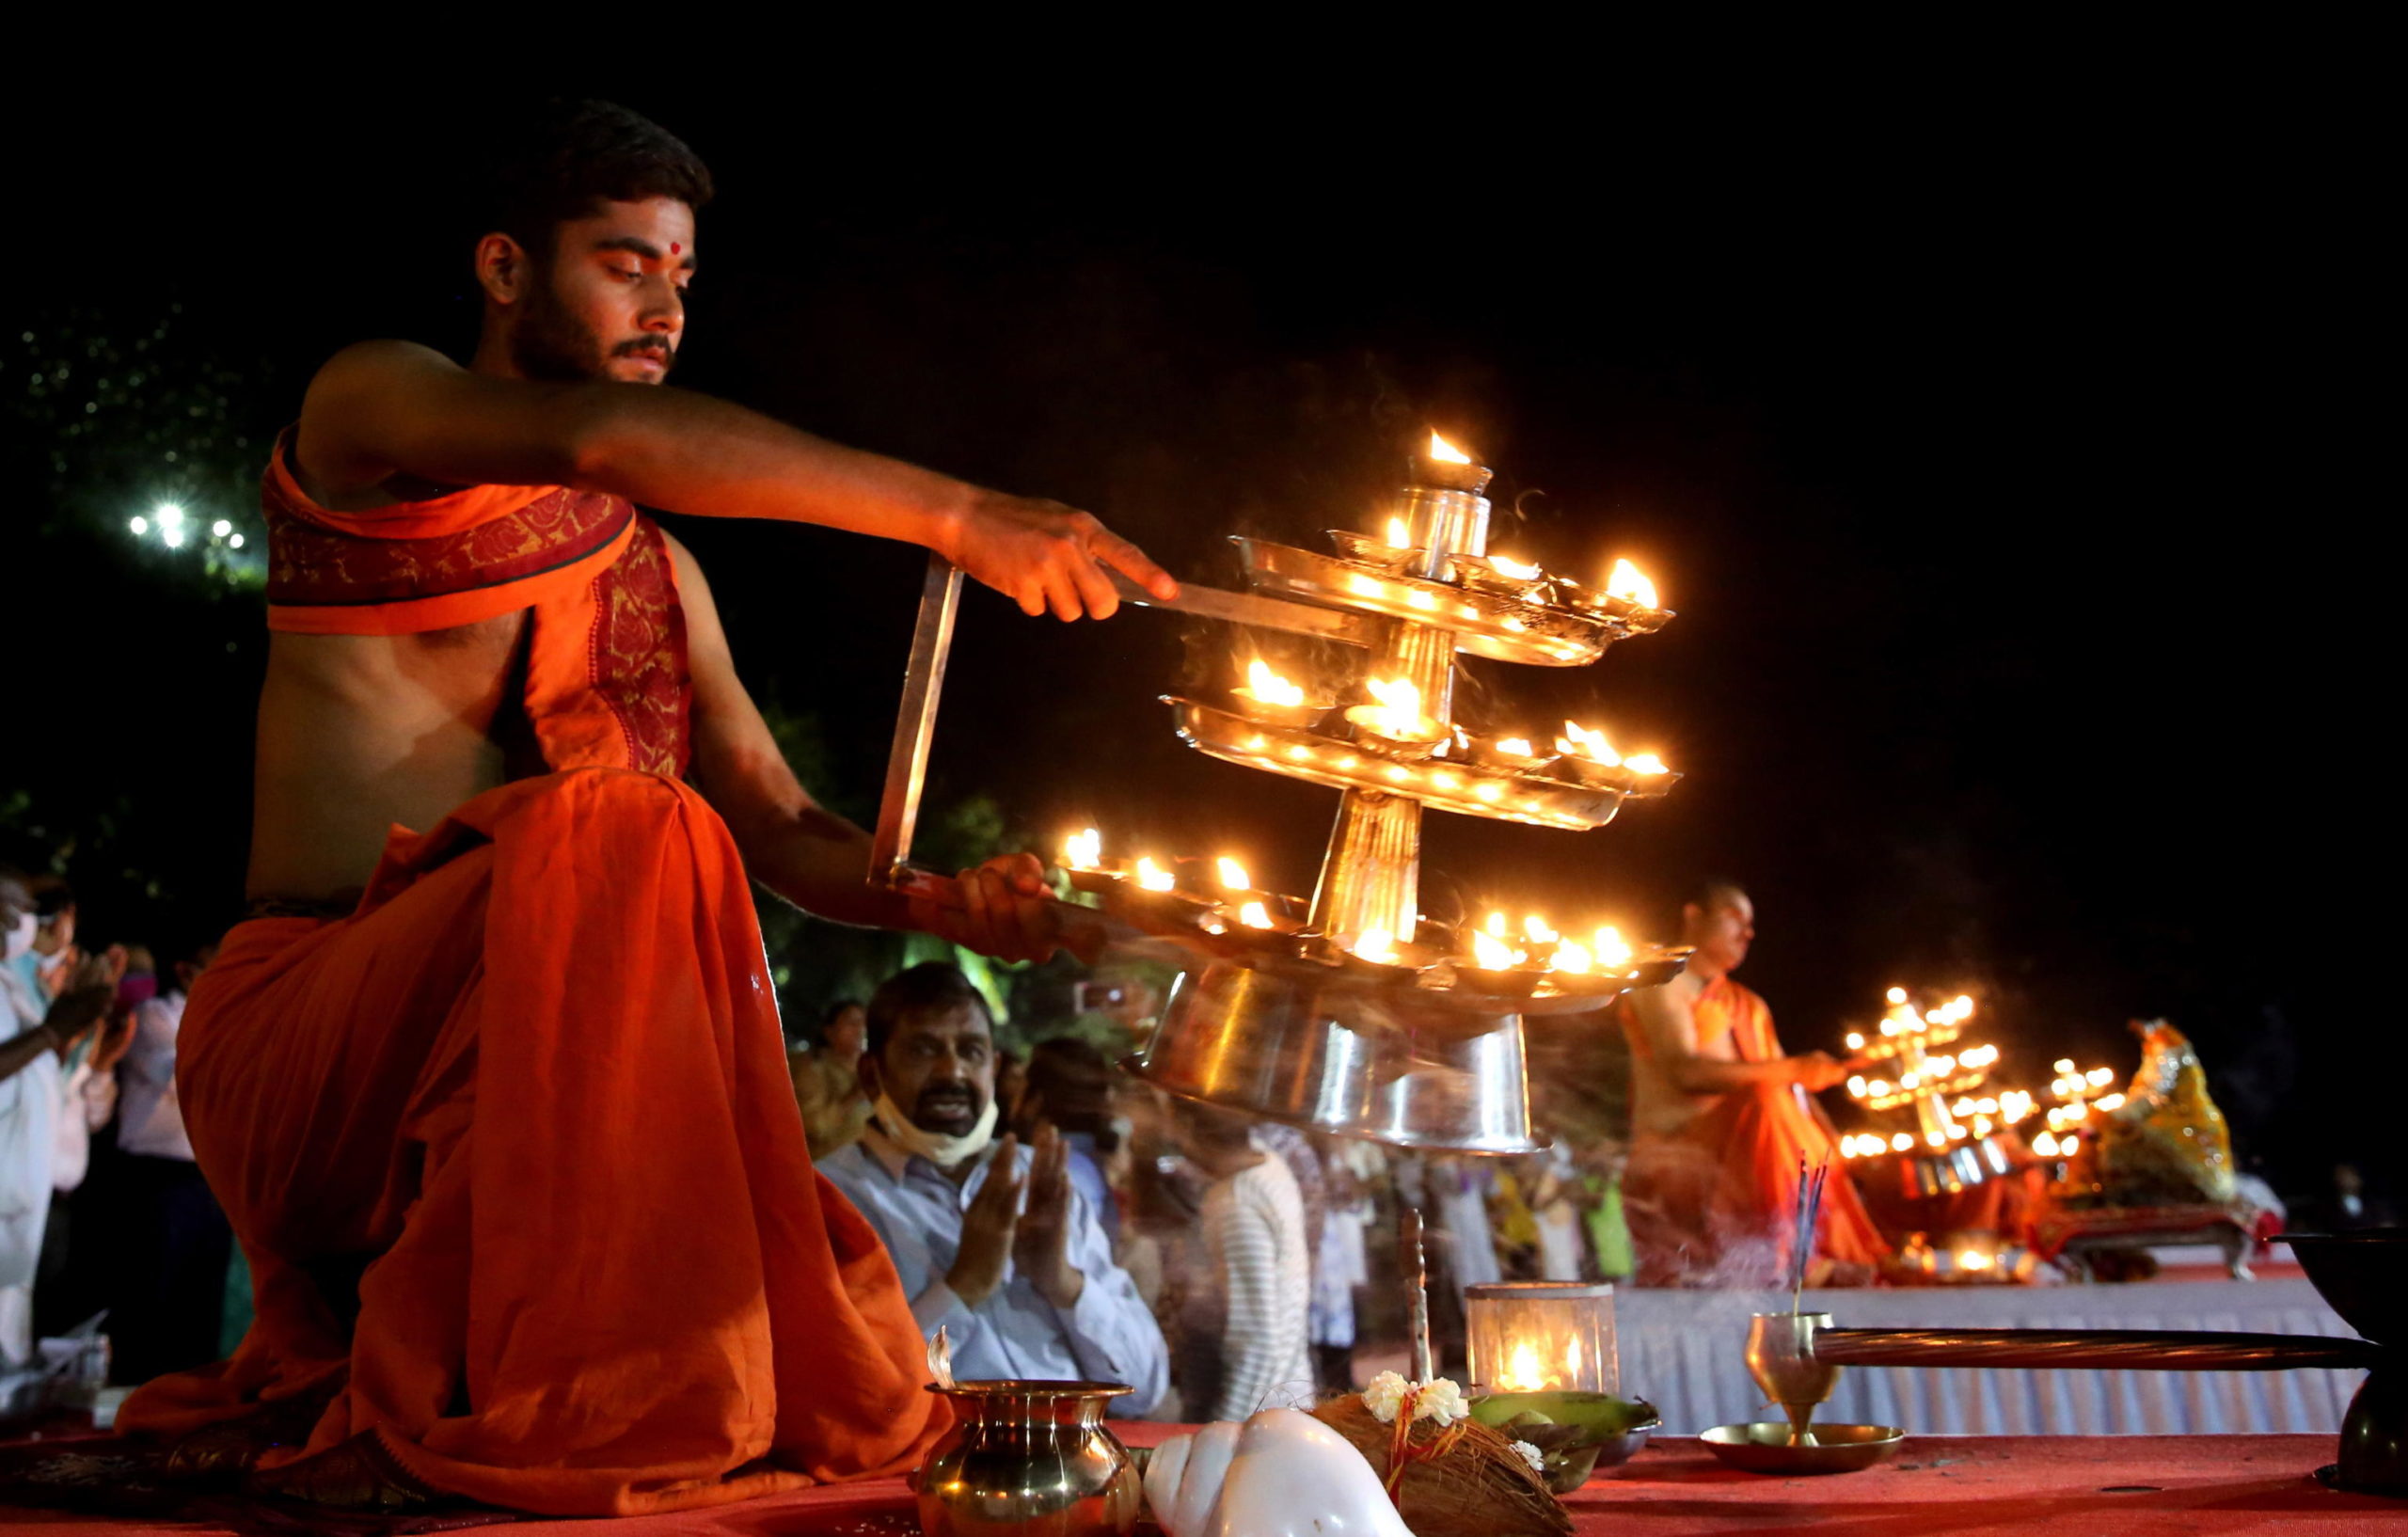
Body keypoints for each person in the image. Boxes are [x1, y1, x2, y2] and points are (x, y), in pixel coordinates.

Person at [114, 99, 1176, 1516]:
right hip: (307, 1051)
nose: (666, 303)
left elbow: (789, 828)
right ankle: (576, 1404)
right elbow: (607, 437)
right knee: (628, 822)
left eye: (683, 273)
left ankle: (604, 1380)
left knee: (648, 828)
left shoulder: (657, 573)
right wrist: (957, 515)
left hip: (531, 1062)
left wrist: (947, 897)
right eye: (626, 262)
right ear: (504, 270)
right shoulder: (372, 405)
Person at [818, 964, 1167, 1413]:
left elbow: (1146, 1388)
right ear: (872, 1074)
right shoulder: (832, 1199)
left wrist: (1062, 1281)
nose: (953, 1072)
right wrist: (963, 1285)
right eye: (924, 1050)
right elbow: (851, 1399)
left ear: (995, 1068)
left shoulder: (1043, 1180)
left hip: (1075, 1461)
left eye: (971, 1051)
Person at [1618, 880, 1887, 1287]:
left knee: (1796, 1119)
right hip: (1680, 1150)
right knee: (1764, 1099)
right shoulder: (1662, 982)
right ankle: (1793, 1258)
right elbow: (1686, 1072)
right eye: (1735, 919)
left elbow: (1790, 1087)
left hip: (1753, 1141)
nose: (1748, 933)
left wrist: (1836, 1148)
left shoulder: (1749, 1005)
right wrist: (1794, 1068)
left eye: (1751, 925)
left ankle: (1818, 1250)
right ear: (1694, 916)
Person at [1, 865, 122, 1367]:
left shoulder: (11, 987)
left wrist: (77, 1028)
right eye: (14, 911)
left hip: (21, 1199)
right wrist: (54, 1030)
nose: (25, 924)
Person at [104, 938, 236, 1382]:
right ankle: (137, 1390)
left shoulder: (226, 1024)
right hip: (156, 1175)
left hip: (208, 1178)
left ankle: (188, 1394)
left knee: (199, 1294)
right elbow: (189, 1073)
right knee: (151, 1291)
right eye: (212, 967)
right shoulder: (156, 1016)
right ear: (185, 970)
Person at [1174, 1101, 1312, 1422]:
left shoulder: (1236, 1202)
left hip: (1263, 1419)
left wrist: (1226, 1436)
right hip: (1287, 1401)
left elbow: (1258, 1341)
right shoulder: (1269, 1165)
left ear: (1185, 1127)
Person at [790, 999, 873, 1160]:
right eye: (852, 1023)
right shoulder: (813, 1068)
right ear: (829, 1032)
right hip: (817, 1169)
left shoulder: (868, 1072)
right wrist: (853, 1098)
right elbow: (812, 1126)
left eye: (864, 1023)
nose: (860, 1030)